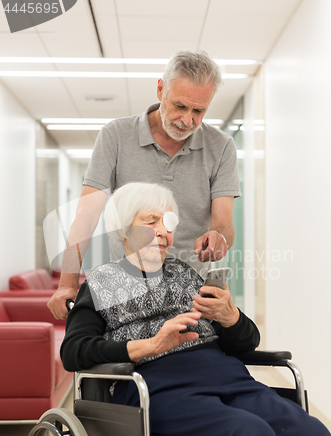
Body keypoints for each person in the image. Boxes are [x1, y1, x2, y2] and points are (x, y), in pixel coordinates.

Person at [61, 182, 331, 436]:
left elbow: (245, 344)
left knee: (312, 435)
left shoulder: (187, 274)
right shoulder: (101, 282)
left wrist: (231, 317)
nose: (163, 231)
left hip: (230, 380)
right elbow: (73, 351)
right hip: (158, 388)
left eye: (169, 223)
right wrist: (150, 346)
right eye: (151, 221)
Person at [48, 49, 241, 319]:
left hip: (191, 291)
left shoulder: (221, 147)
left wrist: (219, 238)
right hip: (127, 288)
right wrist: (67, 283)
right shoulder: (115, 136)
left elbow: (224, 224)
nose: (188, 120)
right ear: (161, 90)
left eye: (199, 111)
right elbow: (86, 216)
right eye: (180, 106)